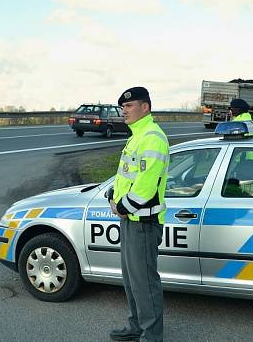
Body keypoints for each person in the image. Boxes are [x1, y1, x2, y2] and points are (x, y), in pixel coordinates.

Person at [108, 86, 169, 342]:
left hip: (143, 222)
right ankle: (136, 326)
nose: (124, 111)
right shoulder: (137, 136)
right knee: (132, 281)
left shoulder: (152, 137)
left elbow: (145, 187)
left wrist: (121, 208)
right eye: (123, 107)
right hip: (131, 221)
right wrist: (112, 194)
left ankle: (151, 335)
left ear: (145, 107)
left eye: (129, 106)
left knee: (144, 283)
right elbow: (126, 176)